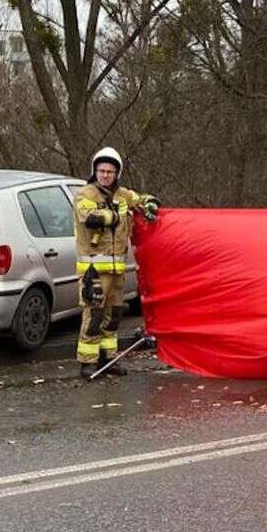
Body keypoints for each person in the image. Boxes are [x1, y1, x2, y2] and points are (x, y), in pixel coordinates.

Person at [73, 147, 160, 379]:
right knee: (94, 316)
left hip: (117, 271)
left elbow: (141, 200)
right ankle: (88, 363)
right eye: (101, 171)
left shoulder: (122, 195)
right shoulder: (86, 194)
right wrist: (116, 215)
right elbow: (90, 218)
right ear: (95, 171)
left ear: (117, 173)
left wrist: (150, 203)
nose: (105, 175)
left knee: (114, 315)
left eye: (110, 171)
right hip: (93, 271)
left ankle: (108, 358)